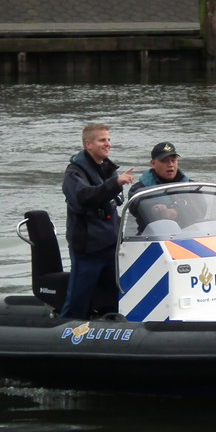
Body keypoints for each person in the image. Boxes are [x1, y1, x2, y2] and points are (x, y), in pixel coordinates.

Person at [61, 124, 135, 320]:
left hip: (111, 247)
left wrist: (114, 186)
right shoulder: (74, 173)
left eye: (109, 140)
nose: (108, 144)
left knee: (114, 298)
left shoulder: (108, 170)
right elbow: (84, 198)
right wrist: (115, 184)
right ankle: (66, 330)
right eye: (102, 140)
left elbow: (116, 200)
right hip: (88, 249)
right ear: (88, 144)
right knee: (78, 301)